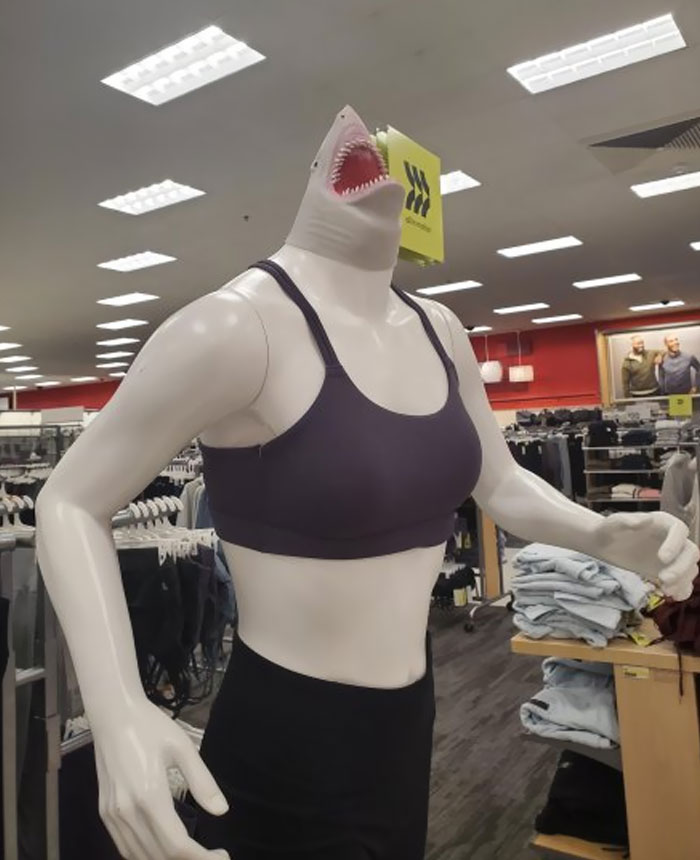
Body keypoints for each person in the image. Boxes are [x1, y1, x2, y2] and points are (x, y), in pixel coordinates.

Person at [35, 107, 698, 860]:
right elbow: (70, 500)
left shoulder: (440, 329)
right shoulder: (235, 326)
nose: (354, 121)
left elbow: (500, 480)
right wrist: (118, 708)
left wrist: (601, 533)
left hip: (408, 719)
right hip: (286, 733)